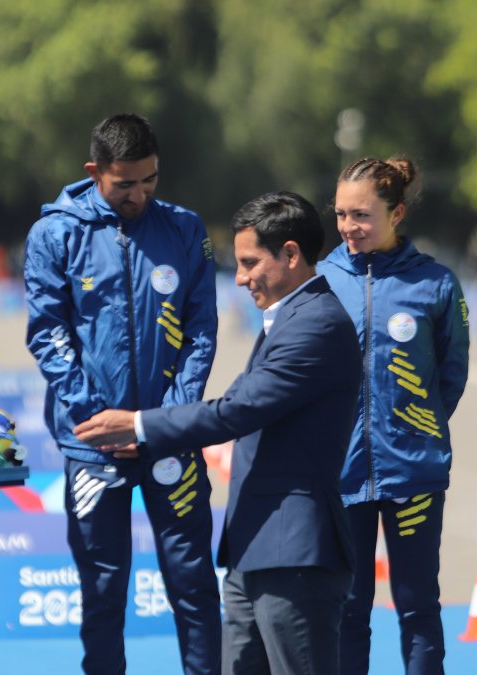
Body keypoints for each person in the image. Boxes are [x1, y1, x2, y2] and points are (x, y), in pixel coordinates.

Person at [76, 191, 361, 675]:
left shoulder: (317, 324)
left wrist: (140, 424)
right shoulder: (287, 318)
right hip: (256, 545)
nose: (242, 277)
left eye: (251, 263)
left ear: (291, 255)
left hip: (294, 552)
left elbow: (236, 411)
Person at [24, 112, 221, 674]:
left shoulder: (183, 228)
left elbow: (202, 328)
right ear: (95, 171)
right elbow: (47, 333)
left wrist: (167, 418)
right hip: (92, 445)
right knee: (103, 592)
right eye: (125, 184)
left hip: (170, 440)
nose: (139, 194)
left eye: (150, 180)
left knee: (193, 585)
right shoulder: (54, 233)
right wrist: (100, 419)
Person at [320, 157, 470, 675]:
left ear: (397, 212)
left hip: (414, 474)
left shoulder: (436, 284)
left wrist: (414, 428)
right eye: (340, 214)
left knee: (418, 607)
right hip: (340, 476)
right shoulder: (321, 280)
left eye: (360, 215)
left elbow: (451, 375)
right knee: (347, 609)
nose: (347, 227)